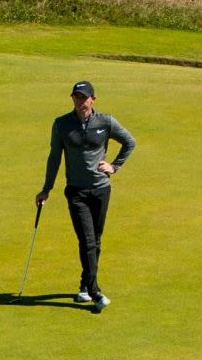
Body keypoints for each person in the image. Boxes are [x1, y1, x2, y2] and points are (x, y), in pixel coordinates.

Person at [36, 80, 135, 309]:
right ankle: (95, 291)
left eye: (84, 97)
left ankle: (84, 286)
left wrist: (115, 166)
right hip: (76, 191)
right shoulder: (62, 124)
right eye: (76, 97)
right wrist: (46, 189)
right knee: (87, 240)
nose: (80, 101)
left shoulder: (105, 121)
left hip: (101, 189)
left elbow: (129, 142)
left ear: (93, 99)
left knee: (95, 240)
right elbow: (54, 158)